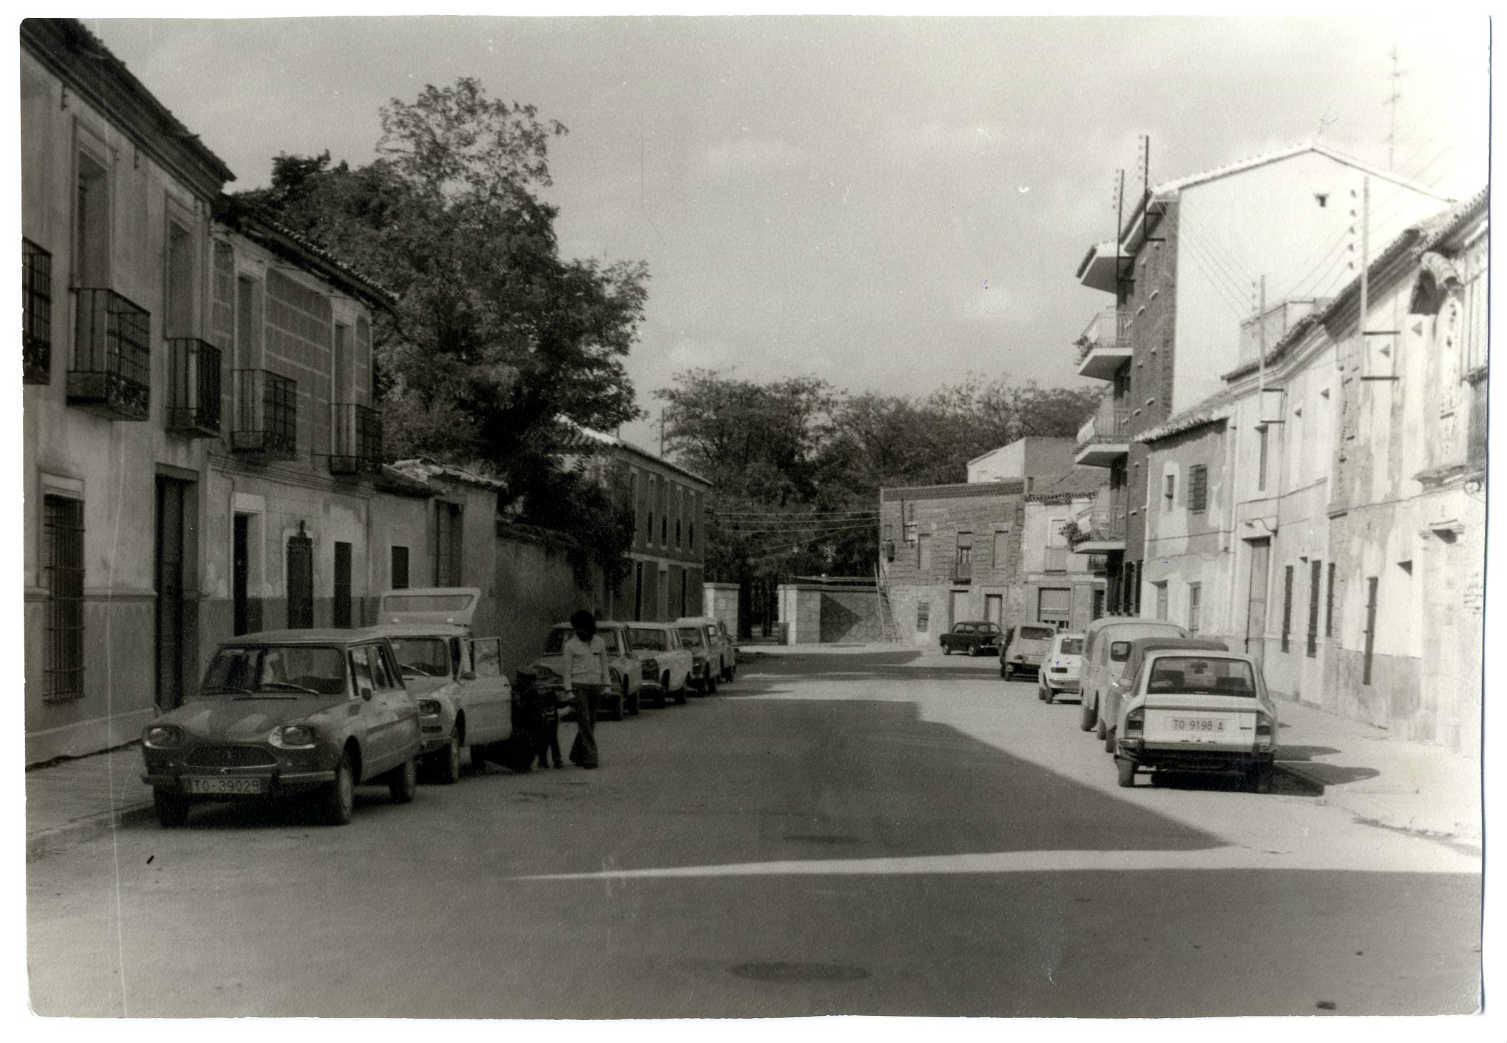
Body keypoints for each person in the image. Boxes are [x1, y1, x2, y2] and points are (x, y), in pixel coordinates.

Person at [560, 609, 604, 769]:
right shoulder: (570, 646)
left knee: (590, 721)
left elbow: (604, 665)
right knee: (584, 721)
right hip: (578, 686)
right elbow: (567, 670)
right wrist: (568, 690)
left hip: (595, 685)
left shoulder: (599, 642)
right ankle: (591, 757)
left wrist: (606, 685)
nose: (581, 632)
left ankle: (576, 753)